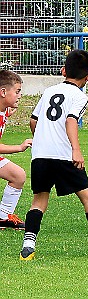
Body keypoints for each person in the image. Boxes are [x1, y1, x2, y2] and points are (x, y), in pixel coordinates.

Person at [20, 49, 88, 261]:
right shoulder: (80, 96)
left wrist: (43, 140)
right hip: (64, 156)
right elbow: (71, 120)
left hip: (40, 155)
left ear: (64, 71)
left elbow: (33, 120)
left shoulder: (48, 91)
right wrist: (76, 149)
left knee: (39, 199)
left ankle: (28, 247)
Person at [0, 70, 32, 230]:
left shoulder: (3, 109)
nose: (20, 95)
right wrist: (19, 147)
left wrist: (7, 114)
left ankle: (4, 217)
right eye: (17, 91)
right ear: (3, 92)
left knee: (18, 175)